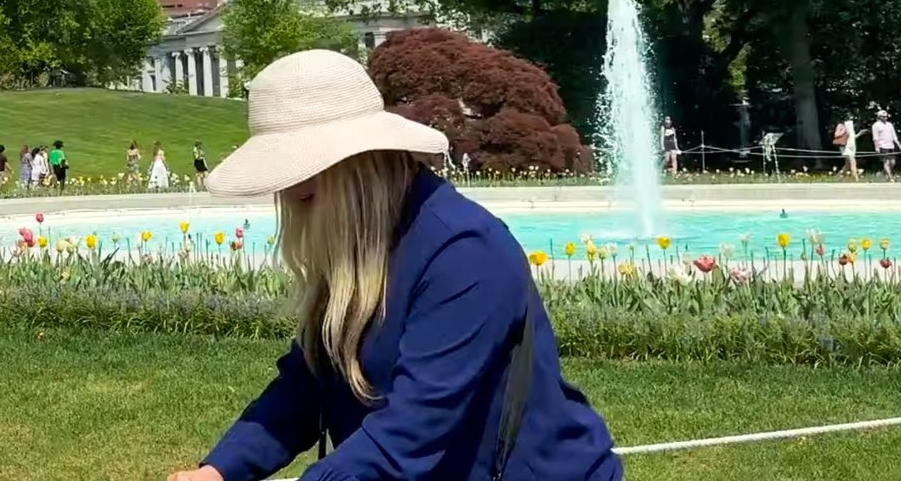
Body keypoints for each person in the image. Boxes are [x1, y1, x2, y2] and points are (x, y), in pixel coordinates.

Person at [166, 50, 619, 481]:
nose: (287, 199)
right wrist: (220, 470)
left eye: (300, 186)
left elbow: (412, 428)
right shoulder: (359, 243)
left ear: (349, 170)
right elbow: (306, 385)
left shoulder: (464, 251)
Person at [873, 108, 898, 180]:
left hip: (891, 146)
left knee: (893, 162)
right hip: (882, 146)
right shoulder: (876, 125)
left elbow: (894, 136)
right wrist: (876, 147)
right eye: (883, 116)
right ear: (879, 117)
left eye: (886, 116)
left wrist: (899, 144)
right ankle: (890, 178)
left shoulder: (889, 124)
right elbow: (875, 137)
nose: (885, 118)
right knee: (886, 162)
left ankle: (883, 173)